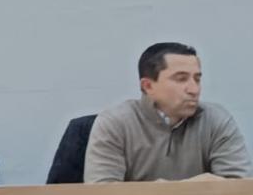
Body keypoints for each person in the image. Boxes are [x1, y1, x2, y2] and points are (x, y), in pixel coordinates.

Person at [85, 42, 251, 182]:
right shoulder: (115, 123)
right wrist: (177, 191)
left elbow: (239, 190)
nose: (194, 89)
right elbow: (103, 194)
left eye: (197, 79)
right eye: (181, 79)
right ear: (148, 86)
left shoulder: (216, 119)